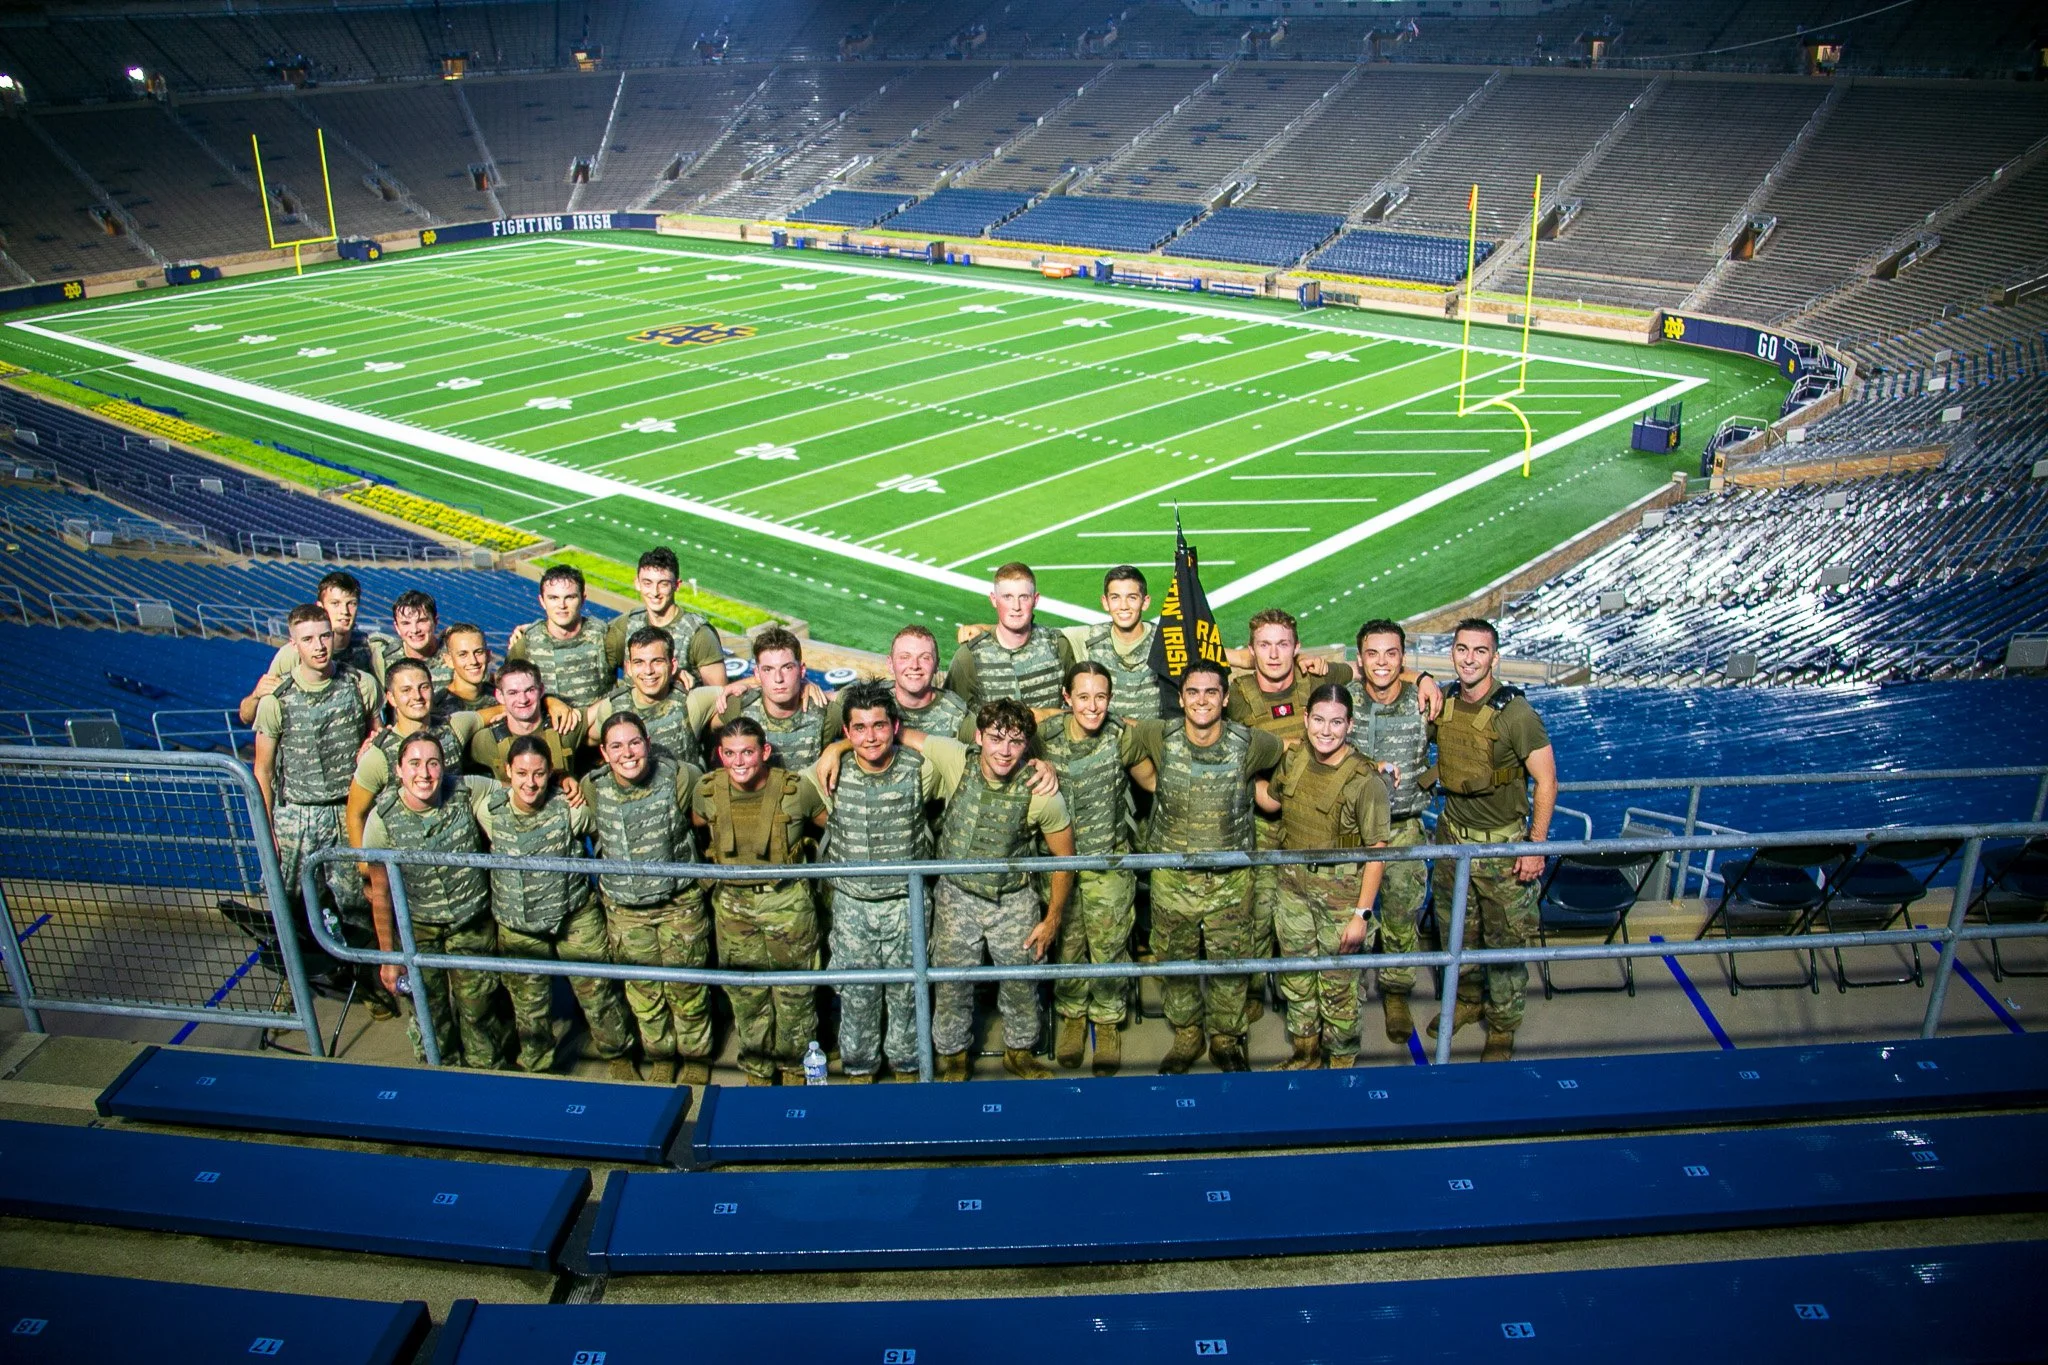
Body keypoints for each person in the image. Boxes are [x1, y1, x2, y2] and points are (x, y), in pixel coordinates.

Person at [1128, 660, 1283, 1073]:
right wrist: (1151, 782)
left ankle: (1225, 1039)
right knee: (1175, 962)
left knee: (1230, 964)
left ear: (1225, 698)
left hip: (1231, 879)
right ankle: (1187, 1034)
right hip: (1173, 878)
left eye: (1211, 692)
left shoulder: (1251, 743)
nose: (1201, 700)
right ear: (1180, 699)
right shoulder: (1159, 735)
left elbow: (1293, 750)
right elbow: (1123, 742)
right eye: (1193, 692)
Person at [1427, 618, 1557, 1063]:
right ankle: (1467, 1000)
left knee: (1505, 944)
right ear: (1452, 653)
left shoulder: (1516, 714)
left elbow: (1547, 781)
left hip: (1503, 849)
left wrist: (1535, 846)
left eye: (1480, 651)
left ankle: (1502, 1027)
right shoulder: (1443, 701)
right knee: (1456, 932)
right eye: (1462, 649)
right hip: (1452, 841)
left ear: (1494, 658)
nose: (1469, 659)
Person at [250, 602, 388, 1012]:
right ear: (294, 645)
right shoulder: (277, 700)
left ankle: (367, 983)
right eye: (308, 639)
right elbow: (263, 770)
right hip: (298, 814)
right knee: (289, 903)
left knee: (355, 903)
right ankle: (293, 983)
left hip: (347, 810)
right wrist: (268, 829)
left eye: (324, 636)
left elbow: (377, 736)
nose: (319, 645)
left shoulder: (360, 685)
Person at [929, 698, 1075, 1081]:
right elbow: (900, 736)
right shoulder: (956, 760)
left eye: (1016, 741)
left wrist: (1052, 918)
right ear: (979, 737)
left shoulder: (1041, 791)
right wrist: (836, 748)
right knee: (951, 984)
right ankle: (954, 1057)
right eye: (996, 738)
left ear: (1027, 744)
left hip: (1012, 900)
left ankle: (1019, 1053)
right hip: (956, 896)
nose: (1005, 751)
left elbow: (1064, 857)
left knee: (1022, 982)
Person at [476, 735, 636, 1078]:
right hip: (519, 926)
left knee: (598, 994)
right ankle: (539, 1069)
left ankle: (619, 1056)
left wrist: (567, 780)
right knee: (529, 1007)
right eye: (521, 773)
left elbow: (604, 834)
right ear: (508, 772)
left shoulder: (570, 807)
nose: (530, 783)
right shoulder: (489, 809)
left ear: (550, 771)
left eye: (539, 773)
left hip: (574, 917)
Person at [806, 681, 938, 1083]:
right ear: (847, 732)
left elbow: (970, 759)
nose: (870, 737)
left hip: (905, 902)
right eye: (859, 729)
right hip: (852, 905)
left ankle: (907, 1068)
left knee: (908, 993)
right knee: (857, 994)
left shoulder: (922, 769)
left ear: (895, 727)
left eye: (879, 726)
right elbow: (800, 803)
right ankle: (860, 1069)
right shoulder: (829, 772)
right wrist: (834, 751)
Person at [358, 731, 514, 1069]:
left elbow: (516, 788)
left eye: (433, 764)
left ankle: (486, 1075)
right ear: (398, 770)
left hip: (470, 924)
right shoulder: (382, 819)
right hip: (419, 931)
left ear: (444, 768)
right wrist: (389, 958)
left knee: (479, 1011)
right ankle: (441, 1076)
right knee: (430, 1013)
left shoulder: (465, 790)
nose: (424, 774)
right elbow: (380, 893)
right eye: (414, 764)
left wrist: (564, 785)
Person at [1258, 684, 1390, 1070]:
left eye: (1336, 722)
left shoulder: (1365, 781)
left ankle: (1341, 1065)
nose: (1326, 731)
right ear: (1306, 719)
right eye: (1318, 720)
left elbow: (1377, 853)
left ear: (1350, 725)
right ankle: (1306, 1054)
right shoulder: (1295, 758)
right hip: (1292, 886)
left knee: (1339, 987)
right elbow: (1272, 801)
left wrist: (1361, 915)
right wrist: (1242, 773)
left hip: (1341, 894)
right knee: (1297, 978)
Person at [691, 716, 829, 1084]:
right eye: (730, 753)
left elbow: (828, 826)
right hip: (733, 908)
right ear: (720, 755)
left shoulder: (797, 790)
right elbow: (697, 825)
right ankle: (757, 1068)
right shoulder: (706, 791)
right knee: (746, 992)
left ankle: (796, 1067)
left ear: (765, 751)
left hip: (788, 904)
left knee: (795, 992)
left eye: (748, 752)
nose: (739, 762)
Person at [1036, 662, 1154, 1074]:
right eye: (1083, 696)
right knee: (1067, 945)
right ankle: (1071, 1015)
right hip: (1061, 865)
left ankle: (1106, 1021)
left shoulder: (1121, 736)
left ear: (1110, 698)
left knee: (1109, 946)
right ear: (1066, 698)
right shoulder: (1045, 737)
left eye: (1101, 697)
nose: (1092, 706)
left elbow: (1152, 783)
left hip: (1109, 861)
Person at [587, 712, 710, 1085]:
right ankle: (661, 1056)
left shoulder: (680, 776)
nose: (627, 753)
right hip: (626, 911)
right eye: (616, 746)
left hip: (678, 905)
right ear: (604, 753)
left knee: (688, 987)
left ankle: (696, 1057)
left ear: (648, 744)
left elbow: (703, 818)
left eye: (634, 743)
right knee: (644, 993)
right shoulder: (592, 787)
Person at [1347, 619, 1434, 1045]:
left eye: (1391, 653)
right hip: (1351, 833)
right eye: (1372, 653)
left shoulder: (1425, 702)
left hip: (1402, 829)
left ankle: (1397, 992)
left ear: (1403, 657)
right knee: (1350, 916)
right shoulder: (1342, 700)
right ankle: (1349, 989)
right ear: (1359, 659)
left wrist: (1425, 678)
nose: (1381, 662)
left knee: (1401, 915)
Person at [956, 567, 1167, 721]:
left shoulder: (1165, 640)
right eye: (1116, 597)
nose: (1124, 606)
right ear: (1105, 602)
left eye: (1132, 597)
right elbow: (1025, 630)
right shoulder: (1089, 637)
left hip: (1150, 740)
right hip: (1108, 743)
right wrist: (985, 629)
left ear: (1145, 601)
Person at [345, 659, 480, 856]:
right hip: (409, 863)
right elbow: (355, 813)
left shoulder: (453, 727)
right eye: (406, 690)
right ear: (391, 698)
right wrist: (364, 863)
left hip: (459, 855)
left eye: (423, 687)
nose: (417, 696)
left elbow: (499, 712)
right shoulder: (378, 755)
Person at [238, 571, 386, 724]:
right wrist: (255, 696)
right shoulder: (293, 654)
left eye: (351, 603)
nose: (345, 611)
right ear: (321, 607)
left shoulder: (368, 648)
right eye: (335, 603)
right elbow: (247, 716)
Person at [583, 626, 724, 771]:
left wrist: (739, 685)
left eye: (657, 661)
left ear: (673, 666)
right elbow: (589, 740)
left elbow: (734, 697)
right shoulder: (611, 708)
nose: (648, 671)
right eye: (639, 662)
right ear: (629, 668)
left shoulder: (691, 702)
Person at [945, 562, 1075, 711]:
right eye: (1007, 597)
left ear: (1035, 599)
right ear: (994, 599)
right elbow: (950, 716)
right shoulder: (968, 657)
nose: (1016, 606)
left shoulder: (1058, 646)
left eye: (1024, 597)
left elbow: (1079, 706)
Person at [604, 547, 728, 689]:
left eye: (663, 584)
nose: (655, 592)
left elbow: (718, 694)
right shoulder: (626, 625)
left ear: (677, 585)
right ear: (637, 583)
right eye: (647, 583)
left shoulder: (699, 635)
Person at [716, 627, 836, 772]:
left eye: (787, 668)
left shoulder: (825, 713)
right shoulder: (738, 705)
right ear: (757, 674)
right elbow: (700, 715)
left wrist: (837, 748)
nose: (778, 678)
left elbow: (859, 709)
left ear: (802, 670)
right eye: (768, 669)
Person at [823, 624, 970, 742]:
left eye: (925, 658)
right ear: (890, 664)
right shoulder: (869, 696)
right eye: (905, 657)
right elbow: (829, 697)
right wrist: (810, 687)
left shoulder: (959, 714)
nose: (914, 665)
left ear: (937, 664)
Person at [508, 564, 612, 709]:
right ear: (542, 601)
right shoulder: (526, 644)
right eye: (553, 598)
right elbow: (511, 692)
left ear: (583, 599)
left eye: (570, 597)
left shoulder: (605, 636)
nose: (562, 605)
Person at [468, 660, 584, 779]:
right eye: (513, 693)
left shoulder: (565, 725)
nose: (523, 700)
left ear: (541, 690)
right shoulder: (487, 740)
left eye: (530, 690)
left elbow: (597, 714)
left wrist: (549, 701)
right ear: (500, 696)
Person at [372, 589, 450, 689]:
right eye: (406, 623)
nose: (415, 630)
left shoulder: (454, 654)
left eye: (422, 621)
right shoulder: (383, 659)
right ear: (397, 627)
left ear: (435, 622)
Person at [430, 622, 498, 720]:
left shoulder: (501, 696)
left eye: (478, 652)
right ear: (449, 660)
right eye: (463, 654)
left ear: (488, 655)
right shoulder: (437, 707)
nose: (473, 661)